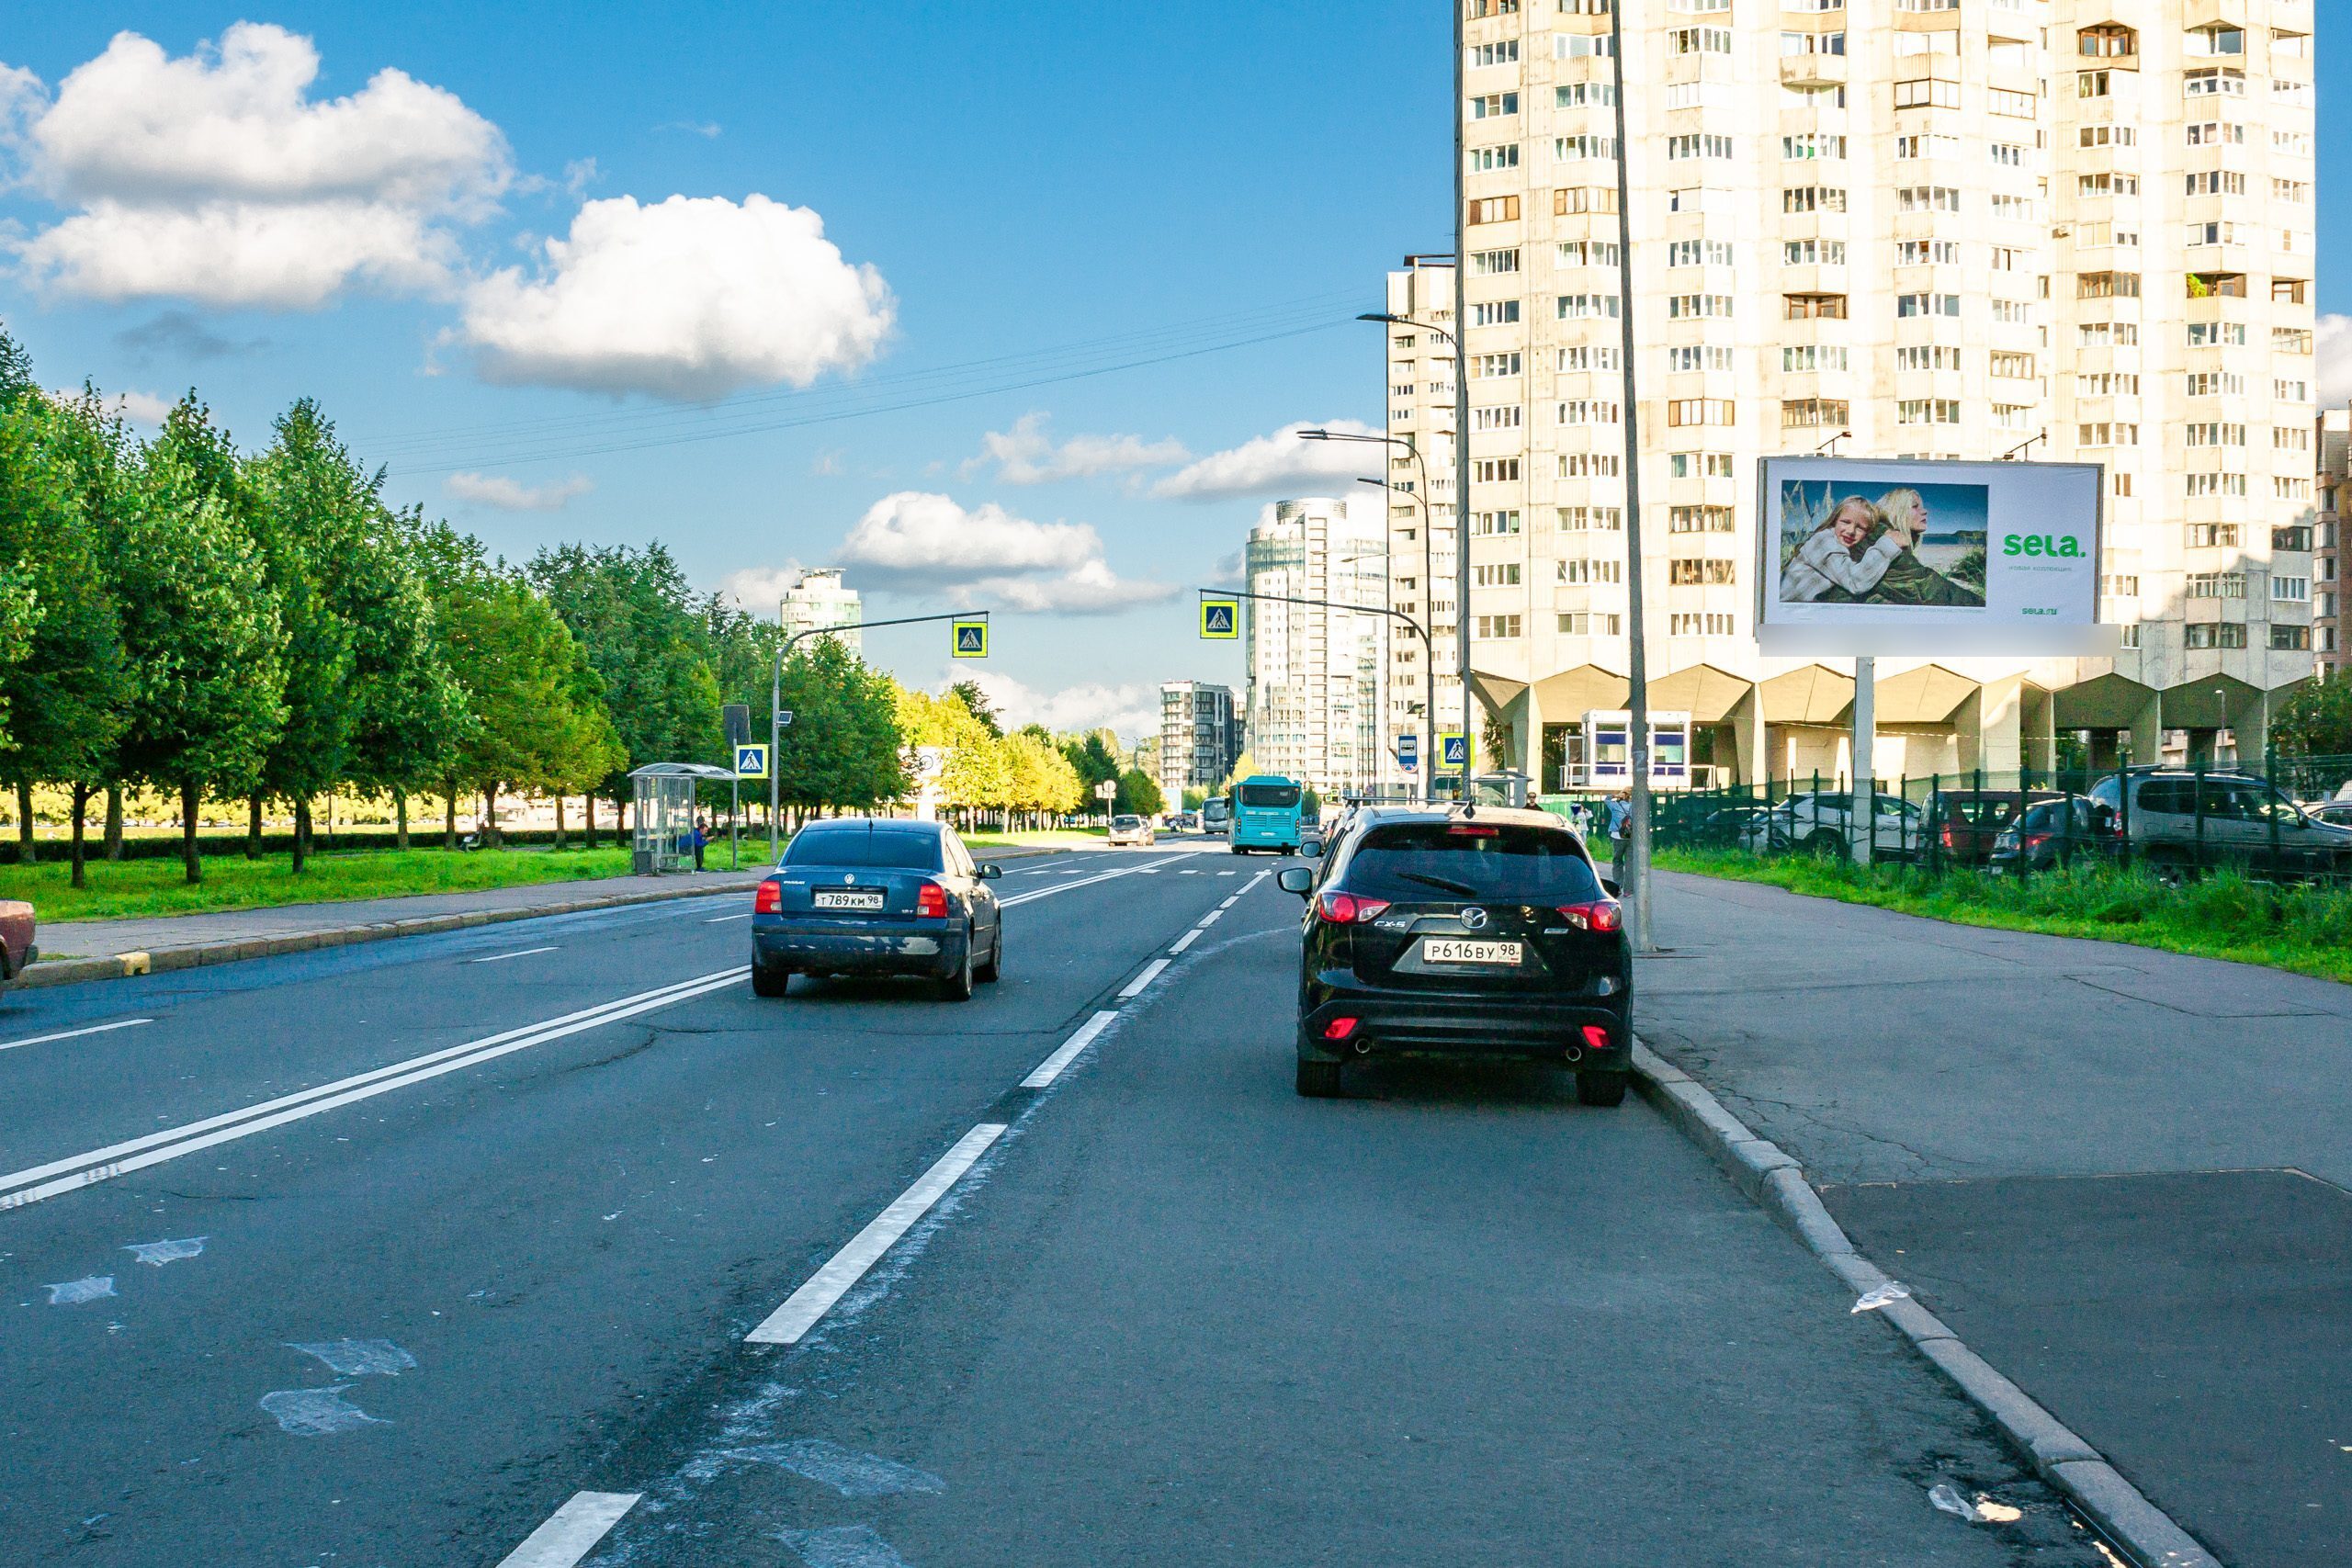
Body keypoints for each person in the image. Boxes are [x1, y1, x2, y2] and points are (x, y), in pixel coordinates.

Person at [1780, 496, 1904, 604]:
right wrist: (1888, 544)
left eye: (1860, 528)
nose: (1850, 531)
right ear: (1835, 521)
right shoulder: (1824, 541)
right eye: (1845, 522)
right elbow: (1855, 581)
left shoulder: (1841, 545)